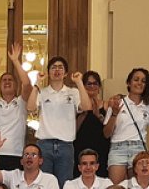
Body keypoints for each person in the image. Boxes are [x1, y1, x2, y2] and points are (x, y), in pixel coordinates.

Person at [11, 47, 93, 180]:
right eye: (53, 67)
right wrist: (37, 84)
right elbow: (31, 107)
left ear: (66, 73)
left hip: (66, 145)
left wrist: (79, 83)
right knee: (45, 185)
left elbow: (86, 106)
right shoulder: (42, 92)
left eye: (61, 68)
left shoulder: (73, 92)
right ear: (48, 72)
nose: (57, 70)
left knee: (64, 184)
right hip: (45, 145)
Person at [103, 68, 149, 184]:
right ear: (129, 82)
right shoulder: (117, 102)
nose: (139, 83)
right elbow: (106, 133)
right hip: (118, 148)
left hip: (138, 149)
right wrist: (114, 113)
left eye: (143, 81)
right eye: (136, 80)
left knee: (137, 188)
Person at [74, 71, 111, 179]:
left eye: (95, 83)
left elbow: (109, 130)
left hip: (101, 147)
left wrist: (98, 115)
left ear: (99, 87)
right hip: (80, 147)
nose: (92, 86)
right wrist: (84, 113)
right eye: (89, 84)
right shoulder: (78, 106)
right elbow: (72, 130)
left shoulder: (106, 105)